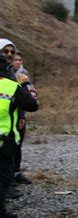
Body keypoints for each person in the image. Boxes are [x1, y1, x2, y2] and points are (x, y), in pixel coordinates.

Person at [0, 54, 39, 218]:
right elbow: (32, 104)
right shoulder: (10, 86)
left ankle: (1, 212)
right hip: (4, 141)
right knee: (3, 179)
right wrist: (24, 83)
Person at [11, 52, 33, 186]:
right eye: (15, 60)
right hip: (7, 116)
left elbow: (25, 97)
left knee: (18, 146)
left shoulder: (23, 73)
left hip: (19, 114)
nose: (17, 62)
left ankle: (16, 173)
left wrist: (22, 116)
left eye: (19, 59)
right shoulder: (5, 75)